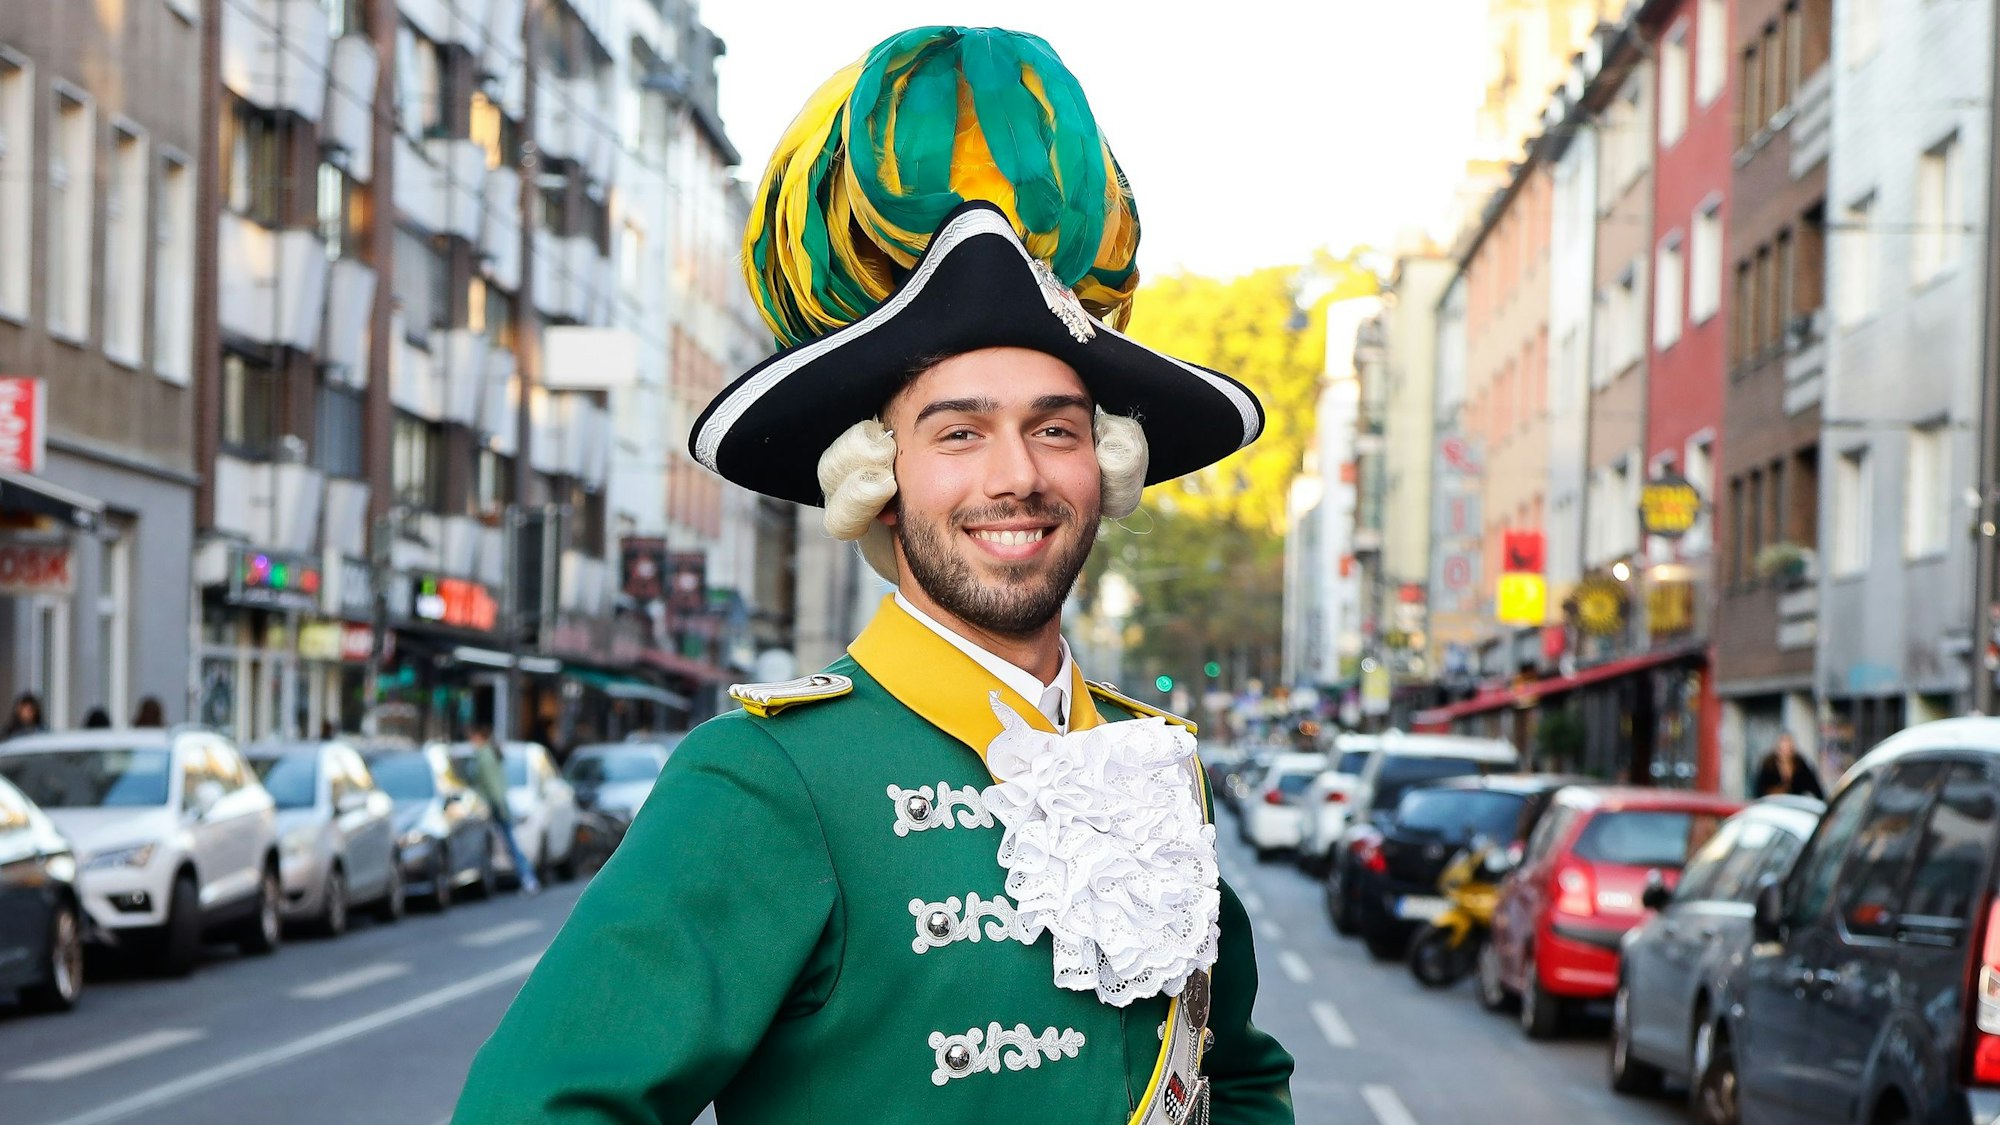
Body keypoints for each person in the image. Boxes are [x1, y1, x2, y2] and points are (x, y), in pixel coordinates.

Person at [455, 25, 1292, 1124]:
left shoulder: (1151, 764)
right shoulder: (764, 780)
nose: (1016, 477)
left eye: (1055, 430)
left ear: (1108, 467)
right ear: (875, 477)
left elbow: (1237, 1081)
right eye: (957, 435)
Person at [466, 724, 539, 895]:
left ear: (479, 737)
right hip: (496, 806)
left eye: (472, 737)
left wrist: (498, 807)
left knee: (509, 845)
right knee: (507, 845)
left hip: (494, 808)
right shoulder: (488, 753)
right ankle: (527, 879)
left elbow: (492, 785)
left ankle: (528, 879)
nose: (470, 741)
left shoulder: (484, 756)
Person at [1754, 731, 1825, 798]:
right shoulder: (1768, 765)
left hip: (1795, 806)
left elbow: (1815, 787)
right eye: (1783, 749)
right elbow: (1758, 789)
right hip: (1772, 807)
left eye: (1789, 749)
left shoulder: (1800, 765)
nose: (1786, 753)